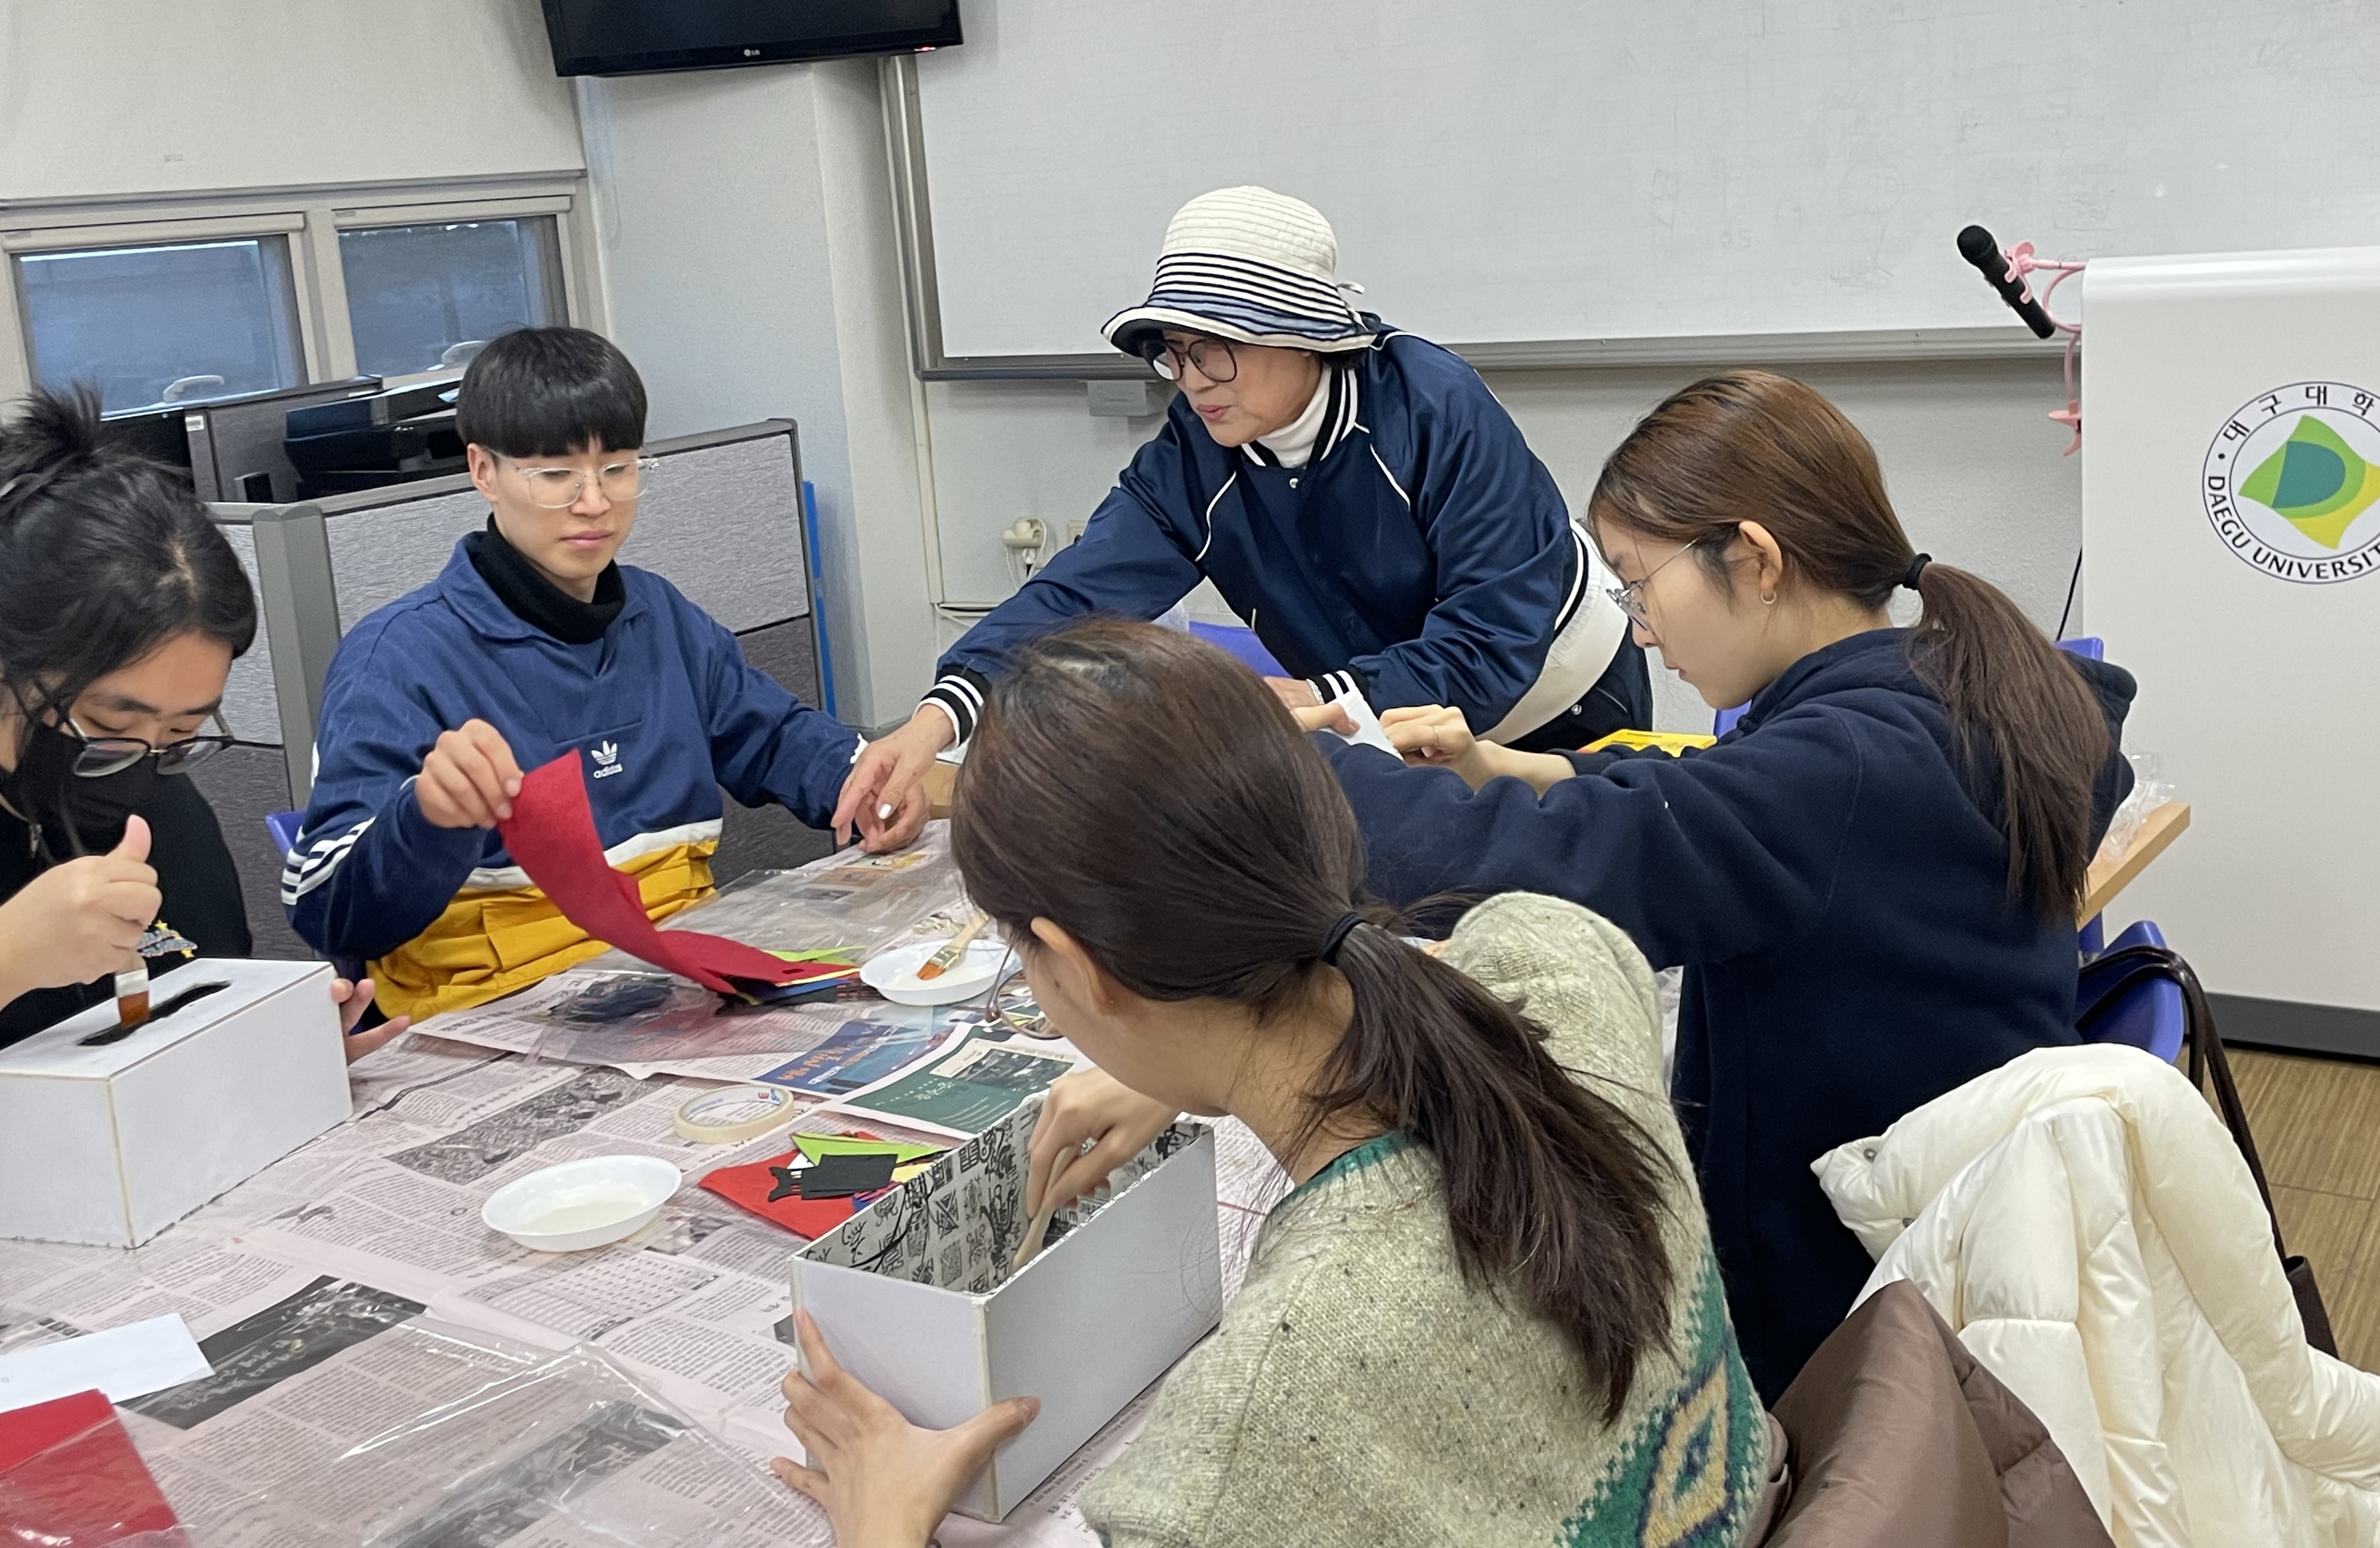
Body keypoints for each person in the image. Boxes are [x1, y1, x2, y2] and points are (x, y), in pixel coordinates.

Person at [771, 621, 1773, 1548]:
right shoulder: (1567, 960)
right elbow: (1459, 963)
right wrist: (1189, 1057)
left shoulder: (1249, 1438)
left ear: (1077, 967)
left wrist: (884, 1525)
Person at [1305, 369, 2137, 1400]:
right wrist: (1516, 767)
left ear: (1753, 559)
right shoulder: (1937, 695)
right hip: (1958, 1230)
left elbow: (1552, 862)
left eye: (1636, 584)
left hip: (1847, 1313)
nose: (1639, 628)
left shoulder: (1842, 771)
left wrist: (1275, 762)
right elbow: (1710, 792)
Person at [834, 185, 1647, 840]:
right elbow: (1073, 595)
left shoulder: (1433, 408)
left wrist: (1316, 698)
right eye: (1175, 352)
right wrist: (940, 717)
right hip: (1371, 715)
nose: (1193, 380)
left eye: (1216, 347)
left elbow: (1489, 639)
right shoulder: (1195, 452)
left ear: (1305, 335)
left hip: (1556, 703)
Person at [283, 329, 923, 1023]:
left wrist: (858, 781)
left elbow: (769, 735)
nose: (594, 503)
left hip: (678, 985)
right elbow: (328, 913)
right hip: (491, 1014)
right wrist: (425, 819)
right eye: (556, 475)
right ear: (483, 470)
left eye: (617, 469)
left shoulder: (660, 616)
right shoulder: (397, 657)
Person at [0, 391, 401, 1055]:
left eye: (182, 733)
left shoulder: (165, 811)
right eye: (108, 721)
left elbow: (194, 1011)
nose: (140, 760)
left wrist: (282, 1054)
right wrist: (11, 956)